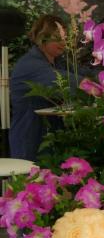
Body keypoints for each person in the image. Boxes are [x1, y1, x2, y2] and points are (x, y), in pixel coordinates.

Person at [10, 15, 71, 161]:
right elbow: (67, 81)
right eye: (57, 38)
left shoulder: (59, 62)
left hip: (52, 141)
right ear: (43, 38)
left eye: (64, 37)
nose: (63, 42)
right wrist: (94, 85)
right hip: (31, 142)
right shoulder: (30, 64)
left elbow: (81, 72)